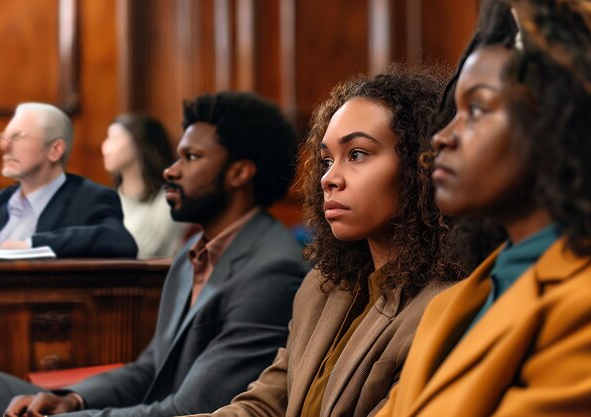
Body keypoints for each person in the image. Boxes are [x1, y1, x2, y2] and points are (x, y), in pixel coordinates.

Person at [0, 92, 309, 417]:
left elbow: (189, 410)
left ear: (239, 172)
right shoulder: (193, 250)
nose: (170, 171)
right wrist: (71, 400)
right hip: (145, 408)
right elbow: (150, 368)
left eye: (191, 157)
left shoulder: (271, 270)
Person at [178, 69, 482, 417]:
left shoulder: (450, 308)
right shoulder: (320, 288)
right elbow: (264, 407)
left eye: (356, 154)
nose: (329, 178)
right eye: (326, 160)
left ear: (423, 165)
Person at [375, 1, 591, 416]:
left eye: (477, 109)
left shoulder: (580, 302)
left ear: (560, 124)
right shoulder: (449, 306)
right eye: (453, 111)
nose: (442, 136)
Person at [0, 102, 137, 258]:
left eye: (18, 137)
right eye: (3, 138)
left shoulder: (89, 198)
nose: (5, 147)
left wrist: (31, 245)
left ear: (55, 149)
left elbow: (119, 240)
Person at [102, 113, 188, 259]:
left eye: (114, 138)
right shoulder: (106, 201)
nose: (105, 146)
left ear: (139, 143)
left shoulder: (169, 200)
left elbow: (145, 251)